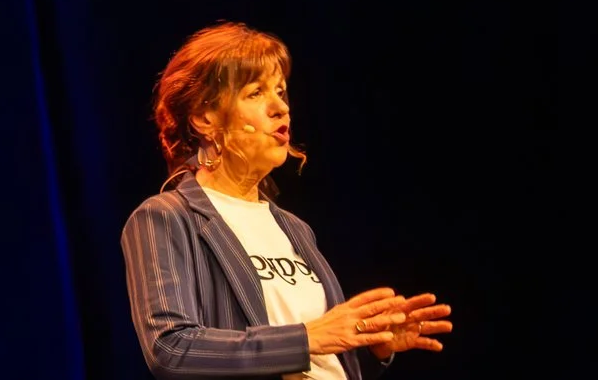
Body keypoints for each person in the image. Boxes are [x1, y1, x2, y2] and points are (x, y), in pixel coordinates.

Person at [121, 23, 453, 378]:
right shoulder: (167, 217)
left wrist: (369, 349)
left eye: (281, 91)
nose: (281, 107)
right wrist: (308, 337)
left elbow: (318, 355)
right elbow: (171, 349)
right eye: (255, 93)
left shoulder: (295, 229)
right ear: (205, 118)